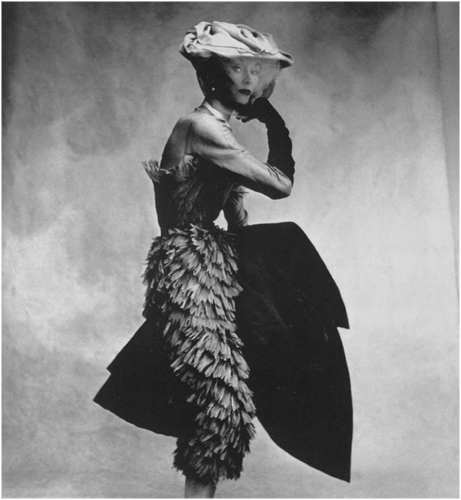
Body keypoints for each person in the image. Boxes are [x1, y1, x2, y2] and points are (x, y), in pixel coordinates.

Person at [94, 21, 352, 498]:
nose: (250, 81)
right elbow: (280, 185)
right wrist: (275, 125)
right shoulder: (201, 128)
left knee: (228, 396)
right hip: (189, 270)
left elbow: (235, 214)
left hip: (214, 261)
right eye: (238, 69)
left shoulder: (218, 133)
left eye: (256, 71)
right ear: (212, 75)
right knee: (218, 400)